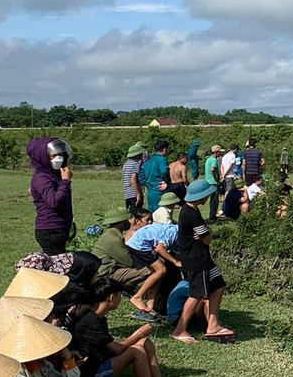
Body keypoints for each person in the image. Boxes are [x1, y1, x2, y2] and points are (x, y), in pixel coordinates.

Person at [69, 278, 183, 377]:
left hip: (102, 359)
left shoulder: (99, 317)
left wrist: (140, 337)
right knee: (136, 351)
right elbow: (117, 349)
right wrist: (138, 334)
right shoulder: (90, 322)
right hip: (93, 373)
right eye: (119, 296)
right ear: (112, 297)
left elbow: (109, 347)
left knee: (145, 343)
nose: (120, 300)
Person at [172, 180, 233, 341]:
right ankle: (179, 330)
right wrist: (208, 233)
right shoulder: (191, 213)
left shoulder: (191, 209)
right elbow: (207, 239)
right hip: (197, 260)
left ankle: (213, 324)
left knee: (219, 285)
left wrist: (207, 233)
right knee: (197, 294)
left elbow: (205, 234)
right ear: (201, 196)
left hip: (202, 259)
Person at [91, 208, 166, 316]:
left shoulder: (112, 234)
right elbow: (129, 262)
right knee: (156, 269)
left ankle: (149, 305)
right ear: (121, 222)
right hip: (105, 275)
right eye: (128, 219)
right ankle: (141, 299)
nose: (131, 221)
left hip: (111, 270)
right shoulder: (113, 239)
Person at [28, 137, 73, 255]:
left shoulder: (53, 175)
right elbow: (54, 201)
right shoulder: (42, 177)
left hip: (59, 227)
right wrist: (66, 181)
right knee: (57, 265)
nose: (59, 158)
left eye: (60, 155)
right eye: (53, 156)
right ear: (42, 158)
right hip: (51, 230)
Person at [141, 142, 171, 213]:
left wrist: (147, 184)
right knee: (162, 212)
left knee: (152, 213)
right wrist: (166, 182)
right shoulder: (162, 160)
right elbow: (164, 171)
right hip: (160, 190)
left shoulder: (148, 161)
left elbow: (141, 177)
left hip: (150, 191)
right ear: (164, 149)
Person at [121, 143, 145, 217]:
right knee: (136, 214)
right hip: (134, 193)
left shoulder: (126, 164)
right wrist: (138, 194)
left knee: (130, 213)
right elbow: (133, 180)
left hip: (127, 193)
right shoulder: (135, 164)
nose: (142, 155)